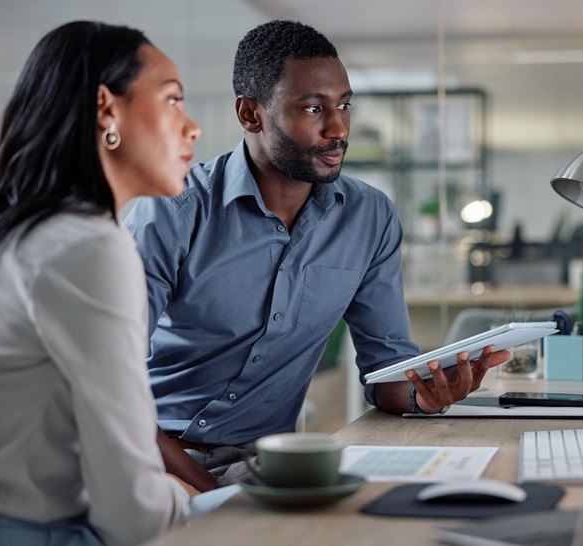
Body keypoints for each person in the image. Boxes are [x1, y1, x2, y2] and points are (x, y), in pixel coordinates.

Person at [124, 19, 510, 491]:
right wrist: (209, 492)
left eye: (344, 105)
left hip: (269, 464)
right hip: (152, 459)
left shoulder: (369, 217)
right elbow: (109, 384)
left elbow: (385, 368)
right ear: (251, 114)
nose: (338, 128)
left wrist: (423, 395)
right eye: (313, 108)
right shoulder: (172, 211)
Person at [0, 21, 201, 545]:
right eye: (172, 100)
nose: (191, 127)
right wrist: (195, 496)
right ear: (108, 109)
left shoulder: (22, 231)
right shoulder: (88, 249)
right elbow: (135, 517)